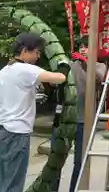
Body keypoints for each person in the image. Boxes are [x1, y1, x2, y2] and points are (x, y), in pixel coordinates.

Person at [0, 32, 66, 192]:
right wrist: (63, 66)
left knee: (4, 180)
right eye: (36, 52)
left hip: (3, 130)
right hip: (17, 133)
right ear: (24, 50)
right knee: (14, 184)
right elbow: (59, 78)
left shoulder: (5, 71)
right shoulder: (25, 69)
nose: (38, 56)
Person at [51, 37, 106, 192]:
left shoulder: (100, 66)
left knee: (80, 162)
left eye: (86, 47)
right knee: (57, 159)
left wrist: (86, 63)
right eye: (81, 47)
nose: (83, 49)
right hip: (65, 120)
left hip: (84, 121)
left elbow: (99, 78)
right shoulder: (70, 65)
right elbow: (56, 80)